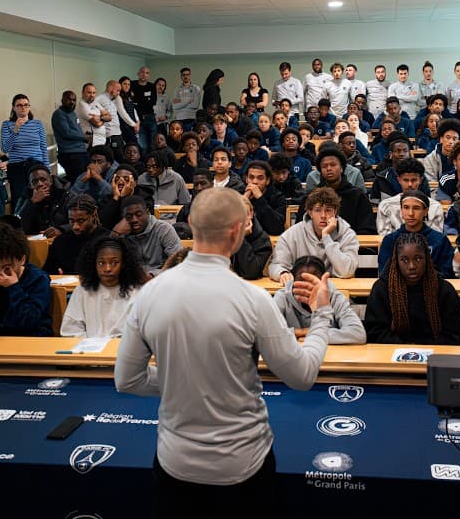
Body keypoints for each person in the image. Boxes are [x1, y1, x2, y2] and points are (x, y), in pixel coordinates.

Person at [114, 187, 335, 515]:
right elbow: (302, 376)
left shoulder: (149, 295)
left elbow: (127, 380)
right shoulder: (253, 299)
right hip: (242, 465)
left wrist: (184, 380)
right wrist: (322, 314)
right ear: (237, 231)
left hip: (175, 463)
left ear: (190, 222)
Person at [365, 231, 460, 344]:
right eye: (404, 260)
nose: (411, 266)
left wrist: (421, 349)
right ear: (396, 261)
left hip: (434, 354)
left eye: (418, 259)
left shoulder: (444, 291)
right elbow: (375, 333)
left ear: (427, 259)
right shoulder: (382, 289)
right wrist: (405, 348)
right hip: (392, 353)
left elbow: (453, 336)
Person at [267, 187, 360, 283]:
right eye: (318, 210)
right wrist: (282, 273)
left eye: (328, 210)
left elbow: (347, 271)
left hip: (334, 290)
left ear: (335, 212)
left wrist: (326, 237)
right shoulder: (291, 235)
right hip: (300, 289)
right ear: (310, 212)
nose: (323, 215)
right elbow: (276, 265)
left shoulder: (347, 234)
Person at [61, 234, 146, 338]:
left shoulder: (137, 292)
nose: (107, 268)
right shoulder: (82, 291)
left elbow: (139, 333)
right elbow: (71, 329)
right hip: (88, 350)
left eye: (114, 263)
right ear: (94, 264)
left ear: (124, 264)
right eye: (101, 263)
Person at [0, 227, 53, 337]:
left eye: (7, 267)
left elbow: (30, 321)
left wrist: (13, 287)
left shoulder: (38, 280)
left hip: (33, 340)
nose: (1, 273)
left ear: (22, 260)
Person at [274, 256, 365, 343]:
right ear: (293, 281)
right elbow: (267, 333)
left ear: (323, 280)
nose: (307, 285)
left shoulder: (335, 297)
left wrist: (313, 334)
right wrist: (302, 332)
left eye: (313, 280)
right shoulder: (282, 297)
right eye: (301, 280)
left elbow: (358, 333)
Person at [377, 191, 455, 280]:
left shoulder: (440, 240)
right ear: (401, 210)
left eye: (416, 208)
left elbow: (446, 274)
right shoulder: (390, 240)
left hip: (432, 290)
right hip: (398, 290)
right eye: (406, 208)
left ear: (426, 211)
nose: (410, 213)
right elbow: (384, 274)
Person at [41, 195, 110, 275]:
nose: (75, 227)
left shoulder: (107, 240)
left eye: (81, 221)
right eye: (71, 221)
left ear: (93, 215)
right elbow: (47, 272)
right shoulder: (60, 241)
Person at [1, 94, 48, 204]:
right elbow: (5, 148)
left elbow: (43, 148)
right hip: (17, 167)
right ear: (13, 108)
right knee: (20, 200)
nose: (23, 107)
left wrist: (47, 171)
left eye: (26, 105)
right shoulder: (7, 125)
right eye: (20, 105)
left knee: (41, 197)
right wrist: (16, 130)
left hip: (36, 165)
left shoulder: (37, 124)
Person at [120, 195, 183, 278]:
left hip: (162, 278)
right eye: (129, 217)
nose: (134, 220)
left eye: (139, 214)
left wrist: (153, 275)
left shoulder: (163, 229)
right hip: (133, 280)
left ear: (147, 212)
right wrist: (116, 234)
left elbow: (179, 262)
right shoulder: (121, 234)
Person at [377, 158, 445, 234]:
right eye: (406, 180)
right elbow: (385, 238)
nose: (410, 184)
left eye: (414, 180)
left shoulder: (435, 207)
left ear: (420, 180)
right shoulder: (385, 206)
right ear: (399, 180)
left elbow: (436, 239)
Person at [15, 164, 72, 238]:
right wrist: (32, 203)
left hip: (62, 238)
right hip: (36, 239)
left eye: (43, 179)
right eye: (35, 181)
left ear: (51, 180)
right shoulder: (25, 197)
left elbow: (77, 222)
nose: (40, 184)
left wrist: (61, 230)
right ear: (30, 185)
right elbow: (18, 226)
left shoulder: (65, 194)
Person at [230, 194, 273, 280]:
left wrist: (240, 238)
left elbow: (251, 272)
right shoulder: (221, 235)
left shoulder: (262, 240)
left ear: (251, 214)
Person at [52, 89, 90, 181]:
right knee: (77, 180)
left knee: (85, 178)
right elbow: (67, 132)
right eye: (69, 99)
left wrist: (85, 137)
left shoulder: (73, 113)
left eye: (74, 100)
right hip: (70, 154)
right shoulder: (59, 114)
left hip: (81, 151)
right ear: (62, 100)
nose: (72, 102)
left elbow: (76, 130)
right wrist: (84, 137)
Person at [243, 160, 286, 235]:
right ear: (246, 179)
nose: (254, 182)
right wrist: (243, 201)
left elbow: (277, 228)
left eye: (260, 178)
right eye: (251, 177)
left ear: (267, 181)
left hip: (267, 240)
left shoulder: (278, 197)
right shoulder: (239, 194)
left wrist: (260, 198)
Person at [131, 66, 158, 150]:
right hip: (138, 119)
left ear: (149, 75)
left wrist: (137, 100)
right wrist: (145, 100)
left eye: (147, 73)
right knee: (142, 146)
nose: (144, 74)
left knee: (153, 144)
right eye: (142, 72)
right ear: (138, 74)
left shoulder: (152, 86)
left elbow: (153, 102)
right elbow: (132, 102)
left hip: (150, 117)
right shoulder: (132, 84)